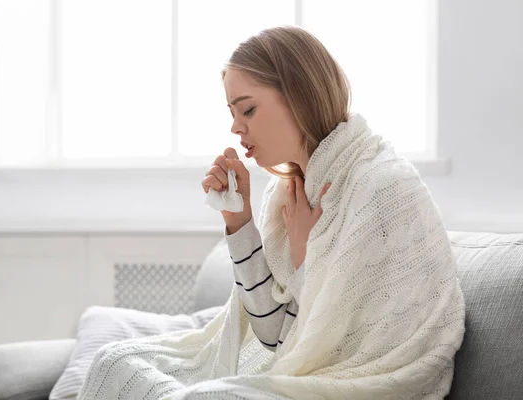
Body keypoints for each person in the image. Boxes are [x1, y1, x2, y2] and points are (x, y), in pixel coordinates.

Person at [78, 26, 466, 400]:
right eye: (232, 112)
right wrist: (239, 221)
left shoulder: (382, 186)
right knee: (116, 362)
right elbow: (274, 335)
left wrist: (304, 260)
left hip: (361, 383)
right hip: (302, 373)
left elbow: (327, 352)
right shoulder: (289, 191)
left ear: (299, 94)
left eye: (247, 109)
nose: (235, 126)